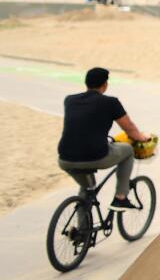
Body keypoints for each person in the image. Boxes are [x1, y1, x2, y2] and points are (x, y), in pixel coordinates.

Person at [58, 67, 152, 211]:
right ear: (105, 84)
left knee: (87, 189)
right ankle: (121, 197)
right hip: (95, 156)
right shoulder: (111, 102)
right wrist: (142, 138)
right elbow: (129, 128)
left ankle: (82, 231)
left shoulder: (69, 100)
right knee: (127, 150)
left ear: (86, 83)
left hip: (65, 158)